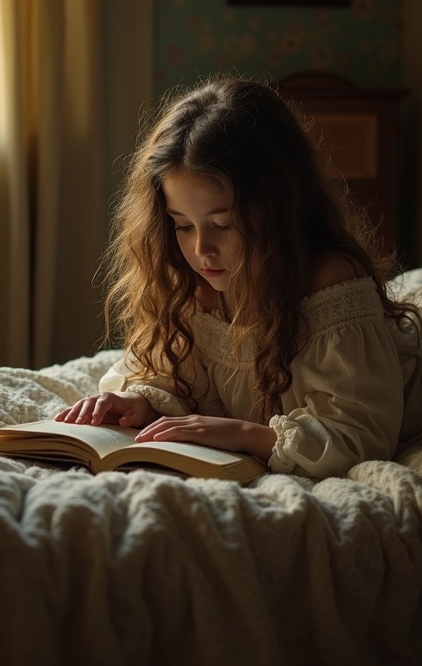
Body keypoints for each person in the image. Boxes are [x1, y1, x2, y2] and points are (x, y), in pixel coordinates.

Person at [55, 76, 422, 479]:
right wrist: (144, 403)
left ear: (281, 208)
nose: (201, 251)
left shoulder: (329, 280)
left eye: (223, 225)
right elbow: (176, 379)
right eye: (182, 226)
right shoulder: (193, 284)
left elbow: (361, 435)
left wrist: (245, 434)